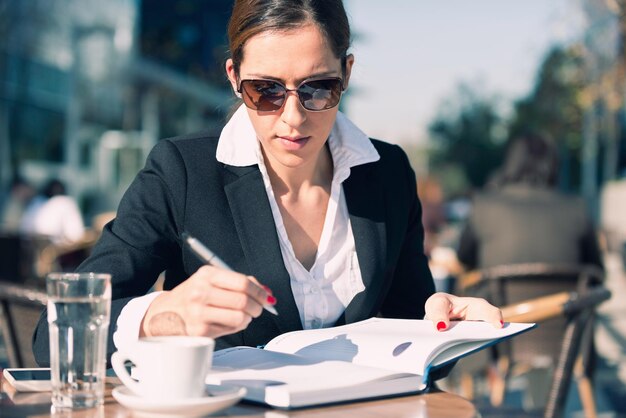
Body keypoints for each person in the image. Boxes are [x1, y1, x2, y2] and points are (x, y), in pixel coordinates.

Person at [33, 0, 502, 366]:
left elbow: (412, 348)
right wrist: (159, 317)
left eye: (319, 87)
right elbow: (53, 335)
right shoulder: (181, 172)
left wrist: (445, 326)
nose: (293, 118)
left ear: (348, 74)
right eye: (267, 91)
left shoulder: (389, 172)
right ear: (235, 78)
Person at [457, 133, 604, 270]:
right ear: (554, 164)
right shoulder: (577, 207)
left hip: (494, 297)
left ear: (511, 162)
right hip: (567, 297)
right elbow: (595, 268)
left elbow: (464, 258)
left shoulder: (483, 205)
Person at [20, 179, 86, 245]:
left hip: (35, 246)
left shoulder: (36, 202)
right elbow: (75, 234)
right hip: (54, 247)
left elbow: (24, 230)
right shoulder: (65, 202)